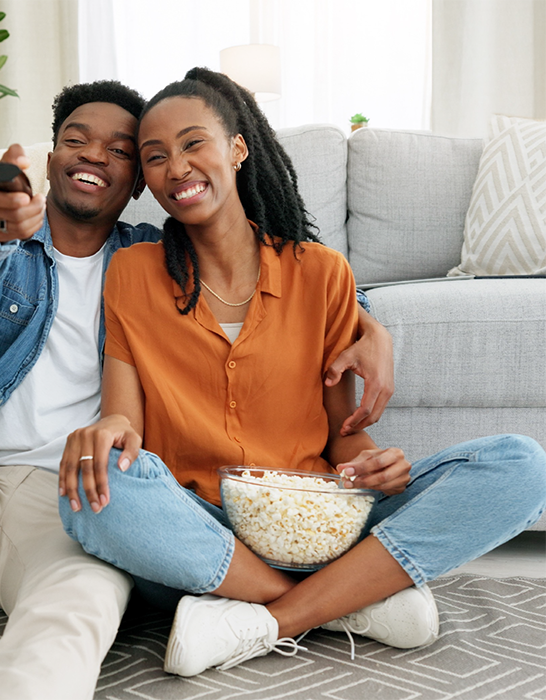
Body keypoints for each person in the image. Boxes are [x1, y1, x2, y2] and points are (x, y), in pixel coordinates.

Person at [0, 79, 393, 700]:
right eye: (78, 140)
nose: (96, 156)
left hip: (79, 507)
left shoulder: (150, 261)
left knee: (78, 614)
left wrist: (367, 321)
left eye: (120, 151)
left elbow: (274, 280)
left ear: (139, 180)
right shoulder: (6, 243)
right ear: (53, 154)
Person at [58, 67, 546, 678]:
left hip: (324, 523)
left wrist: (373, 463)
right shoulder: (132, 273)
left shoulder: (322, 273)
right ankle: (351, 602)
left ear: (236, 148)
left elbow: (345, 436)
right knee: (92, 490)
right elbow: (122, 417)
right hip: (203, 533)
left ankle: (272, 619)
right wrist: (107, 435)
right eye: (155, 157)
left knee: (520, 463)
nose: (176, 167)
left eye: (192, 143)